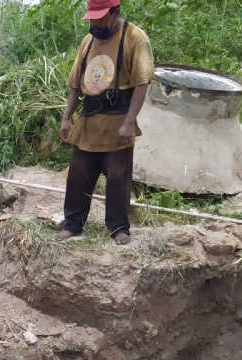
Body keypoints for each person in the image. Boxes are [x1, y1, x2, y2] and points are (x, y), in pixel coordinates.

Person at [55, 0, 154, 245]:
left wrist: (129, 122)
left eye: (100, 17)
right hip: (88, 121)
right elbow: (76, 85)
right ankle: (73, 225)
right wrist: (67, 118)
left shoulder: (135, 38)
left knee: (118, 177)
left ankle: (119, 227)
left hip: (118, 119)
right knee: (78, 175)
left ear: (115, 12)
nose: (95, 23)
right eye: (91, 18)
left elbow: (142, 83)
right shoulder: (88, 42)